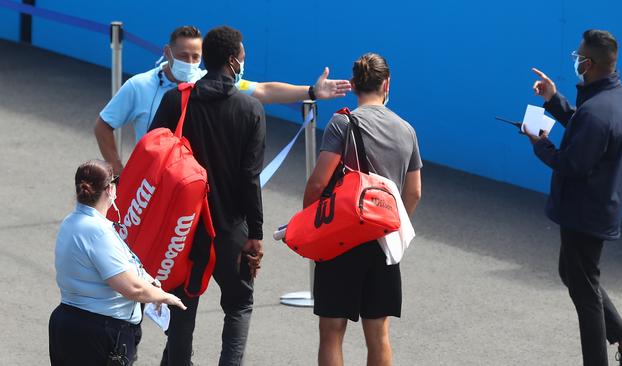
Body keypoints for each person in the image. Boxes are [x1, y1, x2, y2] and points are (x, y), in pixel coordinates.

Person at [526, 30, 622, 366]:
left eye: (579, 56)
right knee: (575, 274)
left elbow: (573, 163)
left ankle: (614, 355)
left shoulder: (598, 110)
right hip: (597, 207)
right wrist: (554, 100)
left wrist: (541, 144)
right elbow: (584, 128)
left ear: (590, 63)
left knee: (585, 293)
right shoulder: (616, 99)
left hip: (584, 212)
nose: (576, 60)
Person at [150, 26, 266, 366]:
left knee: (182, 310)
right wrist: (255, 235)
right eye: (243, 57)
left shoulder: (177, 100)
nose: (244, 61)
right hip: (230, 229)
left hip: (184, 230)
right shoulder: (250, 110)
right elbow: (250, 178)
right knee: (239, 305)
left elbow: (155, 157)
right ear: (232, 61)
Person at [95, 25, 351, 175]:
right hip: (151, 184)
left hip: (192, 184)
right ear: (167, 52)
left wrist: (312, 92)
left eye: (196, 56)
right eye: (184, 56)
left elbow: (262, 90)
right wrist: (118, 168)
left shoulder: (207, 80)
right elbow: (104, 125)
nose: (191, 63)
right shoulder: (138, 86)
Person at [302, 53, 422, 366]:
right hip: (383, 241)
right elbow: (414, 192)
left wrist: (311, 228)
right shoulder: (407, 130)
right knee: (378, 333)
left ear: (354, 85)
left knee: (331, 329)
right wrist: (392, 227)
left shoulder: (342, 122)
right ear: (387, 84)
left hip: (341, 238)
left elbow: (318, 184)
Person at [48, 160, 186, 366]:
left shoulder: (71, 222)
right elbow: (131, 288)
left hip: (68, 323)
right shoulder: (97, 232)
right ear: (109, 189)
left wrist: (150, 283)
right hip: (98, 332)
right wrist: (165, 297)